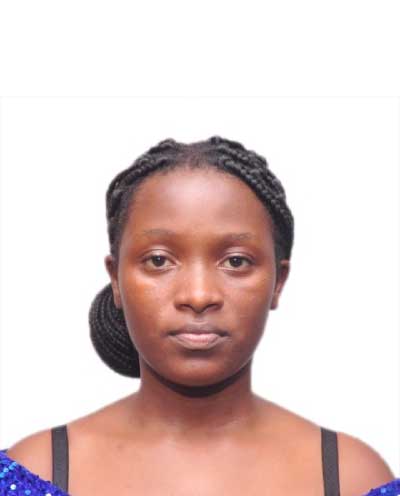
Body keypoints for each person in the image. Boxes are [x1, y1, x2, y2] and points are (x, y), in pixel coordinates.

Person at [1, 136, 397, 495]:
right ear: (116, 279)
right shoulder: (38, 470)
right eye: (159, 260)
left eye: (236, 261)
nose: (198, 295)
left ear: (278, 281)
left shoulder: (351, 477)